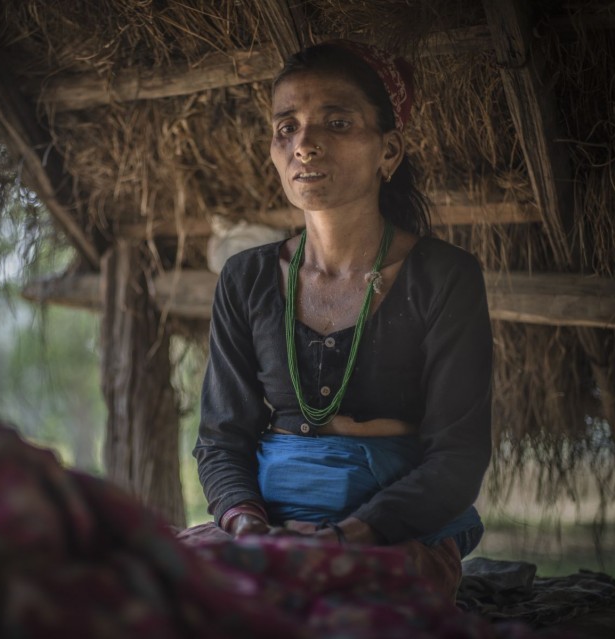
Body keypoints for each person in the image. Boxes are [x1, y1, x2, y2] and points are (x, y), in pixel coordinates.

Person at [192, 40, 492, 596]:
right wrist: (249, 529)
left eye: (336, 122)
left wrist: (345, 539)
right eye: (287, 127)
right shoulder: (246, 278)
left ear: (390, 151)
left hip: (393, 532)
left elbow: (460, 454)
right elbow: (221, 439)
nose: (305, 144)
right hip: (267, 524)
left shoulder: (444, 277)